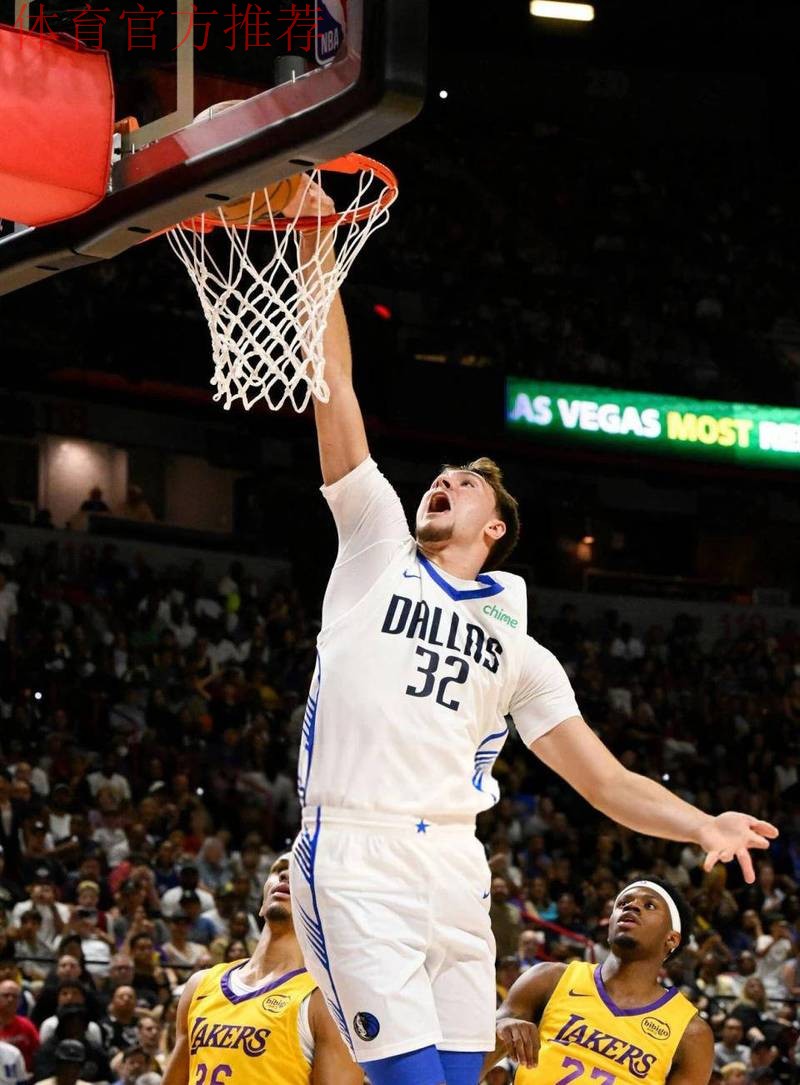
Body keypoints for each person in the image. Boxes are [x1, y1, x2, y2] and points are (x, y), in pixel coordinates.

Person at [286, 179, 779, 1085]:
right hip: (357, 851)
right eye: (439, 476)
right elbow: (337, 390)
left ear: (495, 527)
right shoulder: (376, 545)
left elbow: (605, 780)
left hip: (456, 867)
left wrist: (700, 823)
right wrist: (316, 248)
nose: (442, 481)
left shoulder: (522, 650)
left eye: (464, 483)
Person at [487, 877, 713, 1083]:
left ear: (671, 939)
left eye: (649, 905)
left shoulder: (691, 1032)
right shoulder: (549, 978)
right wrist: (497, 1030)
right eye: (623, 903)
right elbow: (472, 1059)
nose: (632, 906)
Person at [160, 855, 361, 1085]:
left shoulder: (328, 1003)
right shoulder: (200, 985)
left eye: (302, 872)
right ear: (262, 901)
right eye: (279, 869)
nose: (285, 874)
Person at [0, 978, 39, 1071]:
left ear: (20, 1001)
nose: (10, 999)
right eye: (6, 995)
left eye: (15, 996)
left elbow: (37, 1052)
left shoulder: (27, 1025)